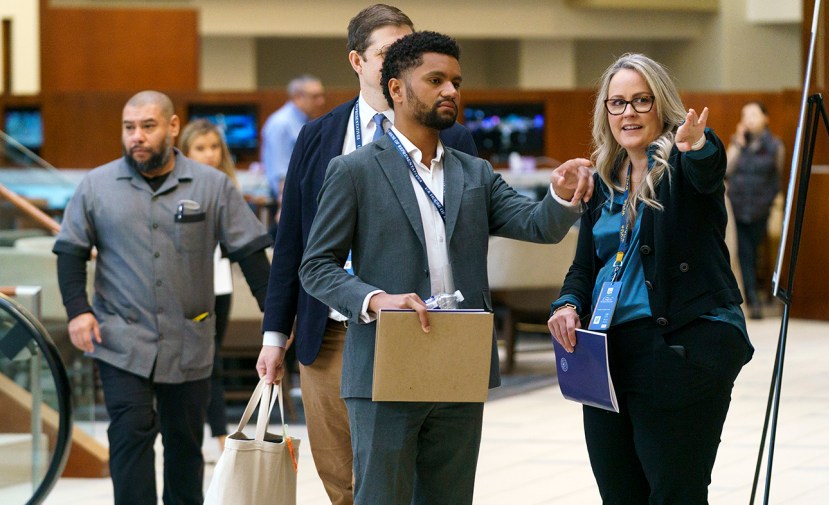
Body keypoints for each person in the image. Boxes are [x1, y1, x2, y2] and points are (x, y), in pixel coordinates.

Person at [298, 31, 593, 504]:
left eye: (456, 81)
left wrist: (559, 194)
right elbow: (316, 267)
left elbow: (538, 226)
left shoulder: (472, 171)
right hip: (384, 362)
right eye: (435, 80)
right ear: (396, 88)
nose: (450, 91)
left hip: (460, 359)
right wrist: (375, 299)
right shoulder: (353, 171)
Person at [255, 5, 478, 504]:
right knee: (344, 482)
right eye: (387, 53)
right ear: (357, 60)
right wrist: (275, 336)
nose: (401, 61)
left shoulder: (453, 136)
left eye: (409, 51)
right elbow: (294, 239)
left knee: (413, 480)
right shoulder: (318, 136)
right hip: (332, 333)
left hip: (420, 330)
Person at [546, 54, 754, 504]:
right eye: (617, 103)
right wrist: (566, 303)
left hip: (681, 345)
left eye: (642, 100)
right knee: (619, 492)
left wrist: (697, 146)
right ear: (605, 112)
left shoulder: (682, 163)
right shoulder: (602, 179)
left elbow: (708, 166)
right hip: (608, 353)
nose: (629, 113)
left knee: (674, 492)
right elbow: (586, 265)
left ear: (662, 105)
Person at [53, 91, 272, 505]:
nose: (137, 136)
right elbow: (70, 252)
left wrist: (275, 322)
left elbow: (250, 255)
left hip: (189, 337)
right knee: (130, 435)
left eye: (148, 126)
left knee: (184, 444)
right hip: (120, 338)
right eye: (129, 127)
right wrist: (78, 312)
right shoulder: (96, 186)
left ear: (172, 128)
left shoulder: (212, 185)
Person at [178, 118, 239, 457]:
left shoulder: (227, 187)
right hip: (184, 288)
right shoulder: (179, 188)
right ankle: (212, 437)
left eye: (214, 147)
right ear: (186, 151)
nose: (209, 154)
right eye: (200, 148)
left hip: (219, 285)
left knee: (212, 359)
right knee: (199, 362)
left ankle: (217, 437)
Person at [726, 101, 784, 319]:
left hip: (761, 208)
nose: (748, 119)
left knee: (754, 251)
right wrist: (738, 143)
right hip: (738, 206)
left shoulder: (775, 146)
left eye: (753, 114)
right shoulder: (738, 143)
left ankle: (761, 295)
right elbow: (725, 169)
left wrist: (770, 201)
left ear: (765, 118)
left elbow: (778, 177)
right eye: (744, 115)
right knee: (744, 254)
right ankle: (753, 300)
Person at [261, 74, 326, 200]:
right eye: (315, 96)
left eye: (321, 95)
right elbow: (280, 175)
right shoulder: (281, 124)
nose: (321, 101)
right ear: (297, 97)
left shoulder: (308, 122)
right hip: (288, 201)